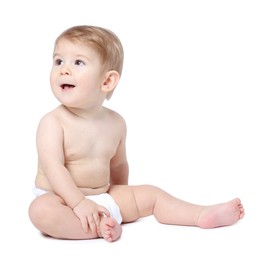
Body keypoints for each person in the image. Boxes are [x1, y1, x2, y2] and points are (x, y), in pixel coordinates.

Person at [28, 25, 245, 242]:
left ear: (107, 81)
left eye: (78, 62)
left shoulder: (116, 122)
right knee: (40, 211)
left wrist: (124, 200)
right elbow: (53, 168)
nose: (63, 70)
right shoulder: (53, 122)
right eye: (58, 61)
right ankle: (100, 227)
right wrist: (79, 203)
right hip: (61, 199)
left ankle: (199, 215)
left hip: (102, 196)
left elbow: (119, 165)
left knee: (152, 194)